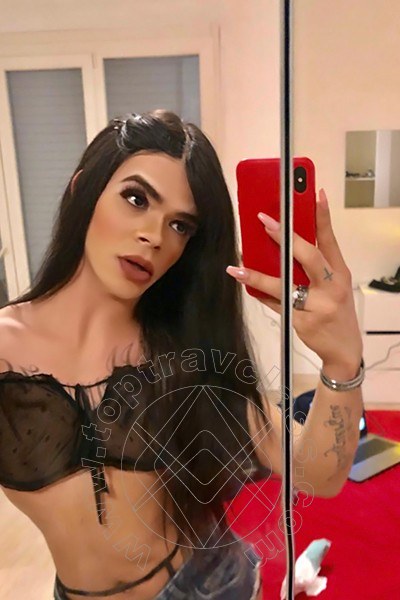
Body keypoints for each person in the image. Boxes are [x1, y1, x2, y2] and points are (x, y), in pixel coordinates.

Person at [0, 109, 364, 599]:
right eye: (136, 199)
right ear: (81, 189)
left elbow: (318, 472)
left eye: (180, 225)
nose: (154, 236)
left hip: (211, 584)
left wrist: (342, 361)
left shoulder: (184, 352)